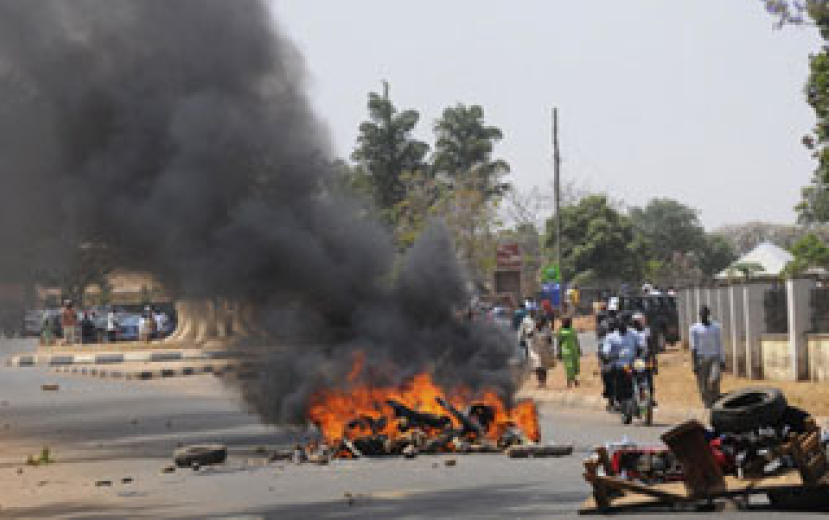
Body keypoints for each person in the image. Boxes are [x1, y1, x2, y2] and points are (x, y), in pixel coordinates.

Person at [690, 306, 724, 409]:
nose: (703, 316)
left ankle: (715, 398)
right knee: (703, 385)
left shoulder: (716, 327)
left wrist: (722, 360)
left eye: (705, 314)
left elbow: (719, 344)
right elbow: (693, 347)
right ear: (699, 315)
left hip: (714, 358)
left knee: (715, 379)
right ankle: (707, 403)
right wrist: (694, 363)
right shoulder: (694, 328)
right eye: (701, 314)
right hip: (701, 359)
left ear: (708, 314)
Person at [601, 318, 639, 409]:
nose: (623, 326)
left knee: (648, 370)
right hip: (619, 364)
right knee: (607, 373)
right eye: (620, 325)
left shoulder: (634, 333)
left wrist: (644, 352)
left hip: (634, 363)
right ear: (617, 326)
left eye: (624, 324)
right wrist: (607, 356)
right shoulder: (611, 337)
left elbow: (641, 345)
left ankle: (648, 397)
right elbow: (605, 350)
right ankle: (615, 398)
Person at [631, 312, 657, 405]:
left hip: (645, 358)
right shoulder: (630, 332)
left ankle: (650, 398)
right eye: (635, 322)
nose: (637, 323)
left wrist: (654, 362)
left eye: (638, 321)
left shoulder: (647, 331)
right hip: (633, 359)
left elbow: (651, 346)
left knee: (649, 378)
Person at [528, 316, 554, 388]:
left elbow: (550, 341)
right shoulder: (533, 330)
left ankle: (544, 382)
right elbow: (528, 336)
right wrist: (533, 331)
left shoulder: (547, 330)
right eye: (537, 322)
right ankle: (540, 382)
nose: (538, 323)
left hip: (544, 351)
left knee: (543, 367)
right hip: (535, 351)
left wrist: (551, 351)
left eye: (540, 322)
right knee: (537, 367)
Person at [557, 317, 581, 388]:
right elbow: (559, 342)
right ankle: (570, 382)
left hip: (574, 350)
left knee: (574, 366)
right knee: (569, 366)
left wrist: (579, 349)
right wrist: (559, 352)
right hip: (566, 351)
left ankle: (574, 380)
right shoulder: (561, 331)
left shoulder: (572, 330)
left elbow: (576, 339)